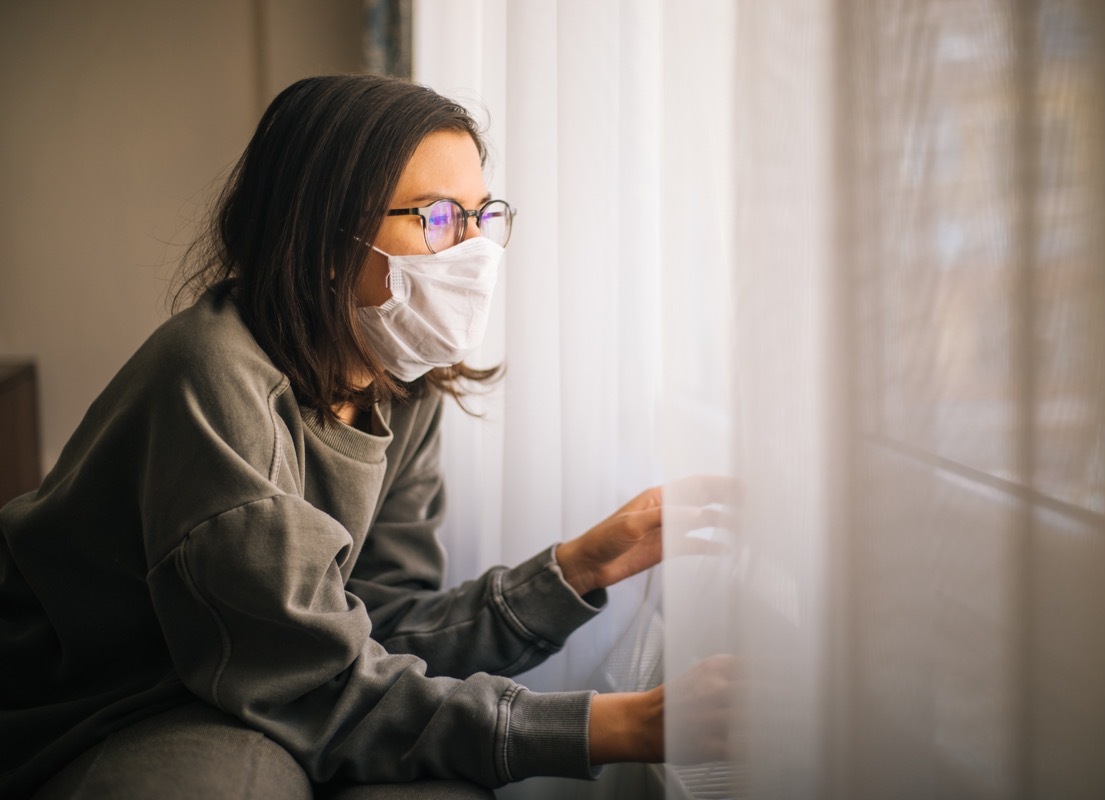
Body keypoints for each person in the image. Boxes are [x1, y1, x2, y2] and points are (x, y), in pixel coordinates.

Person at [0, 75, 723, 799]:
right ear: (323, 235)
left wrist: (573, 571)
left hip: (255, 680)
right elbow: (308, 679)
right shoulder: (212, 379)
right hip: (110, 712)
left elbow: (372, 630)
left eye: (484, 216)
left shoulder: (402, 385)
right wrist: (619, 725)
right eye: (438, 218)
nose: (475, 250)